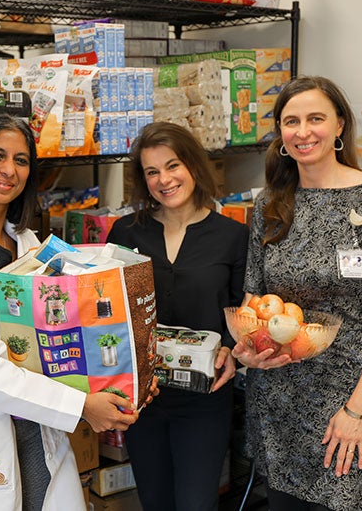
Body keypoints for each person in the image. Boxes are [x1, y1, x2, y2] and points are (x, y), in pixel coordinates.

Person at [0, 114, 153, 511]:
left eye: (21, 160)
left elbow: (62, 332)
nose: (9, 170)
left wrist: (124, 382)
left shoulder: (28, 241)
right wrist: (82, 407)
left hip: (33, 423)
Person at [232, 75, 362, 511]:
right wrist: (246, 350)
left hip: (349, 399)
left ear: (340, 126)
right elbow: (253, 301)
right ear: (280, 134)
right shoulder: (270, 204)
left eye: (315, 118)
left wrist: (357, 411)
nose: (303, 131)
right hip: (278, 398)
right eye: (290, 121)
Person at [107, 121, 246, 511]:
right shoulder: (125, 233)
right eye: (152, 172)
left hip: (205, 397)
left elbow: (243, 311)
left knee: (196, 504)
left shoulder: (232, 236)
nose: (163, 180)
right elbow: (106, 310)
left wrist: (232, 352)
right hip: (142, 398)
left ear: (193, 166)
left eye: (172, 166)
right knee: (154, 501)